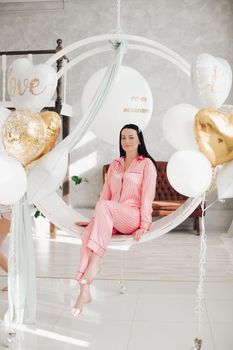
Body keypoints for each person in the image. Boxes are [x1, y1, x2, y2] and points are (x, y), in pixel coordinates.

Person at [71, 124, 157, 316]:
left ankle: (95, 263)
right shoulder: (115, 164)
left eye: (131, 137)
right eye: (123, 138)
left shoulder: (146, 165)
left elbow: (147, 196)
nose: (126, 141)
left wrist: (144, 225)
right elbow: (105, 194)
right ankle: (84, 290)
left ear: (139, 140)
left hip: (132, 217)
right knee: (87, 234)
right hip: (110, 215)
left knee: (104, 207)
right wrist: (95, 221)